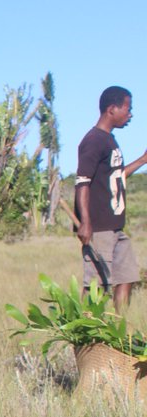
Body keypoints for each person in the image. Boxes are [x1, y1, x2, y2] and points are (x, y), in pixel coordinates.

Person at [75, 86, 147, 312]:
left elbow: (117, 176)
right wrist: (86, 222)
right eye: (128, 108)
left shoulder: (109, 140)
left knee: (127, 276)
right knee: (96, 283)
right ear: (111, 109)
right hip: (99, 228)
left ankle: (119, 330)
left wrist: (143, 160)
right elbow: (82, 183)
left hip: (116, 226)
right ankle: (86, 332)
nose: (130, 114)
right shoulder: (93, 140)